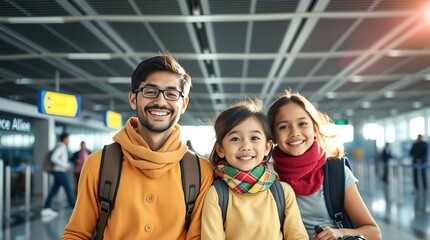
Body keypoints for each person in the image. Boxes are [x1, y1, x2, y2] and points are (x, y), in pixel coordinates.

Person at [63, 55, 214, 239]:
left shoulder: (200, 172)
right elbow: (76, 234)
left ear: (183, 104)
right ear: (133, 99)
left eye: (172, 94)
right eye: (150, 91)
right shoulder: (99, 164)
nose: (161, 101)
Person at [267, 90, 381, 240]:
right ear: (273, 136)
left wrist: (339, 233)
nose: (294, 132)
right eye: (283, 127)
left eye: (302, 124)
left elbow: (373, 232)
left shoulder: (335, 172)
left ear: (314, 129)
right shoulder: (266, 175)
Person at [201, 99, 308, 239]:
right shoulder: (217, 193)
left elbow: (298, 237)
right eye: (235, 139)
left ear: (267, 147)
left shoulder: (282, 191)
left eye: (254, 138)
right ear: (220, 149)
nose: (246, 146)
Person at [41, 132, 75, 218]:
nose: (69, 140)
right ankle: (75, 209)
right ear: (64, 139)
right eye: (68, 139)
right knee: (68, 189)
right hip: (60, 171)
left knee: (54, 190)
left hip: (58, 171)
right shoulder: (61, 147)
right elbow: (54, 158)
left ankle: (46, 208)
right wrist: (65, 166)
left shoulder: (60, 146)